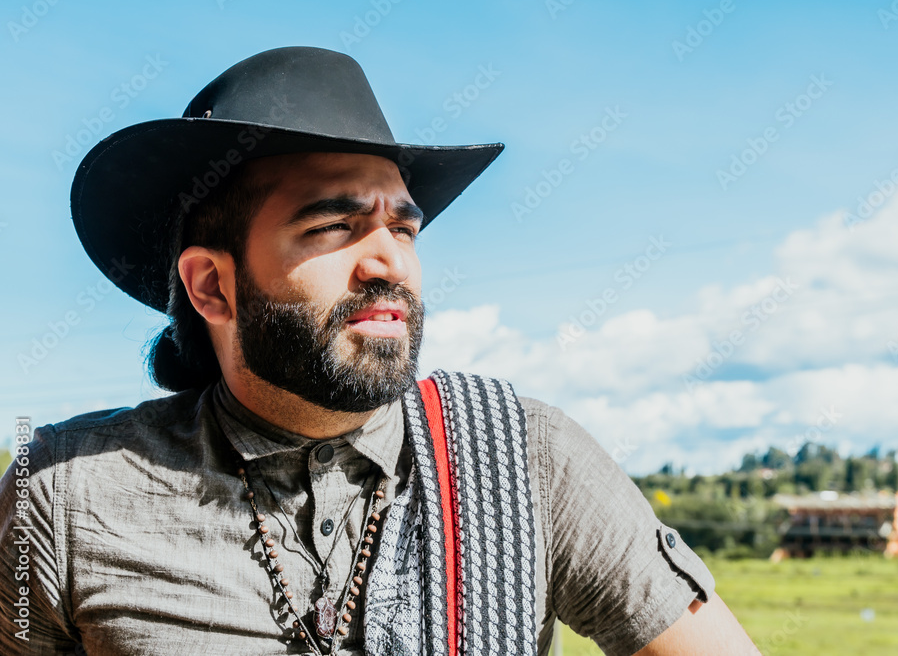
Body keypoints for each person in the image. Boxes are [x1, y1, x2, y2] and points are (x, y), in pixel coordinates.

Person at [0, 46, 759, 655]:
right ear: (212, 287)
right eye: (333, 225)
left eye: (403, 227)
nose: (388, 262)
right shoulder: (63, 495)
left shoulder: (525, 459)